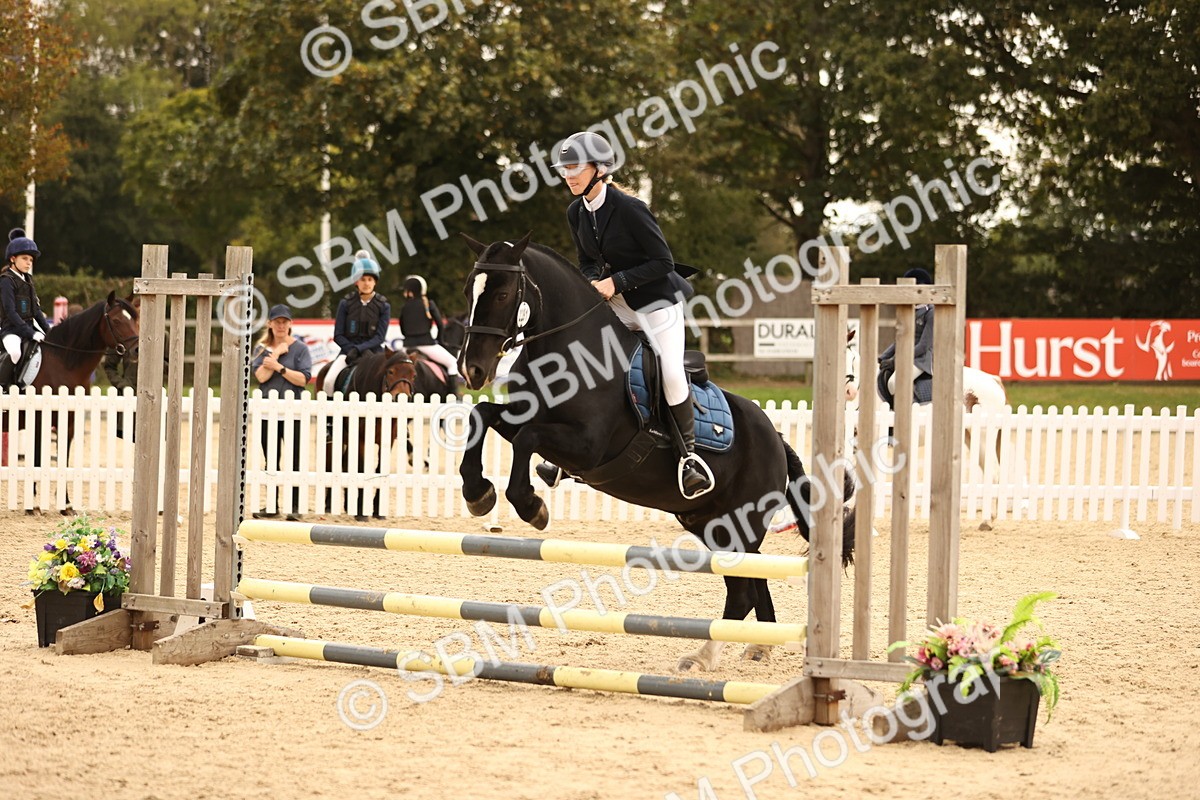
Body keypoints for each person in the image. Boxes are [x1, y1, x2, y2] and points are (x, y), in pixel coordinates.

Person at [542, 130, 712, 497]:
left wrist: (614, 282)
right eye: (563, 169)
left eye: (575, 167)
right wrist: (592, 283)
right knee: (585, 359)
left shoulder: (630, 208)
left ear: (599, 169)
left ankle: (690, 459)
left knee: (668, 370)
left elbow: (662, 261)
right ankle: (561, 452)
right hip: (617, 303)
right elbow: (587, 261)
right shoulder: (576, 212)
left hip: (656, 303)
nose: (568, 176)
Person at [251, 304, 312, 520]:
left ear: (290, 324)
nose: (281, 325)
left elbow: (303, 379)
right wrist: (276, 353)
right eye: (277, 321)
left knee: (294, 459)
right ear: (270, 324)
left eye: (285, 322)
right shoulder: (261, 348)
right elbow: (260, 377)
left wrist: (278, 367)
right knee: (271, 458)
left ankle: (294, 506)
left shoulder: (301, 349)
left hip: (293, 412)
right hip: (268, 412)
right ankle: (271, 505)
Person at [322, 251, 391, 395]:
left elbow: (379, 337)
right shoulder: (345, 303)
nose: (366, 283)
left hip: (373, 352)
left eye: (370, 280)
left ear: (375, 282)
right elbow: (338, 335)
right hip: (348, 352)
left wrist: (359, 349)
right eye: (363, 279)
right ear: (356, 281)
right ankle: (329, 417)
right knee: (328, 382)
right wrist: (351, 349)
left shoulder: (383, 305)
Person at [877, 267, 935, 409]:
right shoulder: (909, 311)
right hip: (907, 356)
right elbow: (899, 340)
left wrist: (898, 358)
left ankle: (907, 413)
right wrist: (883, 357)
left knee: (893, 383)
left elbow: (923, 346)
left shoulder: (931, 312)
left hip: (921, 360)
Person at [0, 228, 50, 389]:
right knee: (15, 353)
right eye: (25, 258)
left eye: (31, 260)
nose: (29, 262)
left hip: (28, 328)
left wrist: (48, 332)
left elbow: (36, 311)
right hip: (11, 330)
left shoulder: (28, 280)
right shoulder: (6, 280)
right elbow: (10, 312)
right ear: (13, 259)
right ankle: (2, 387)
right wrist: (31, 333)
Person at [399, 274, 460, 395]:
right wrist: (440, 340)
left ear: (410, 291)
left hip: (406, 347)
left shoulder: (405, 306)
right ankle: (454, 397)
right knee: (453, 363)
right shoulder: (429, 304)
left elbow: (403, 329)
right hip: (427, 344)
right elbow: (440, 325)